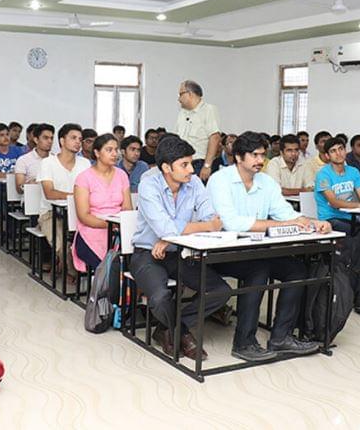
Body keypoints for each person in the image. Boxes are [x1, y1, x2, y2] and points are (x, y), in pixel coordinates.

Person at [207, 132, 325, 361]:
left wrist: (312, 223)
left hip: (258, 248)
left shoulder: (267, 182)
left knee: (297, 271)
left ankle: (281, 337)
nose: (260, 160)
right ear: (239, 157)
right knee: (258, 270)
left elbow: (286, 213)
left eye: (262, 154)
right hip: (222, 250)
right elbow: (231, 222)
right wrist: (280, 224)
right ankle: (244, 343)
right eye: (254, 155)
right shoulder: (220, 180)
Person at [130, 135, 227, 360]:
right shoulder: (148, 184)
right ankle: (181, 333)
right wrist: (200, 227)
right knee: (160, 297)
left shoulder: (193, 183)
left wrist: (171, 237)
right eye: (184, 165)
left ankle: (168, 329)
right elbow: (166, 227)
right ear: (166, 167)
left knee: (220, 291)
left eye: (191, 164)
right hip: (147, 254)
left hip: (178, 252)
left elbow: (212, 217)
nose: (191, 170)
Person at [72, 134, 133, 273]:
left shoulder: (122, 175)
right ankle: (107, 291)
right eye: (109, 150)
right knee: (112, 267)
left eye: (116, 150)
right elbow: (84, 216)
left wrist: (120, 226)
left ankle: (125, 292)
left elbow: (127, 208)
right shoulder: (84, 178)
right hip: (91, 232)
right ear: (97, 153)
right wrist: (111, 225)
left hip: (118, 231)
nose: (114, 154)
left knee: (134, 259)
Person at [38, 124, 92, 272]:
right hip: (51, 214)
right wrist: (76, 196)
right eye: (73, 138)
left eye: (80, 139)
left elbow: (91, 189)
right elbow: (49, 193)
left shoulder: (85, 163)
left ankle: (79, 270)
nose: (78, 142)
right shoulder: (48, 163)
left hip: (79, 213)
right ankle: (73, 270)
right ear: (62, 141)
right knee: (61, 244)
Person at [315, 138, 360, 233]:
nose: (338, 153)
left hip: (352, 216)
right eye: (333, 151)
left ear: (346, 151)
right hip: (331, 218)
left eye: (341, 149)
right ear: (327, 156)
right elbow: (333, 202)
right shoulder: (323, 175)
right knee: (359, 230)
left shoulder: (354, 171)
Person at [175, 80, 221, 181]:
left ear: (190, 94)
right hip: (182, 164)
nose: (179, 99)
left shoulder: (208, 110)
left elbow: (215, 137)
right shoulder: (182, 113)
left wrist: (207, 165)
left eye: (180, 94)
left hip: (199, 164)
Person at [14, 123, 54, 194]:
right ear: (36, 140)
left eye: (51, 138)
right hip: (31, 199)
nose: (50, 141)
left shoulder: (56, 160)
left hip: (53, 199)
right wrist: (30, 184)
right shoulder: (23, 160)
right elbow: (19, 189)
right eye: (45, 138)